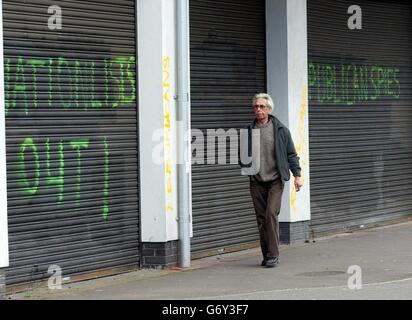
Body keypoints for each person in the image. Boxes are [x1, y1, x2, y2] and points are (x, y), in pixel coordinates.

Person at [240, 93, 303, 268]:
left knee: (270, 215)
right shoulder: (248, 131)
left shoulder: (280, 130)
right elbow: (242, 156)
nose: (258, 110)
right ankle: (266, 254)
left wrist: (297, 175)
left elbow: (291, 154)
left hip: (275, 180)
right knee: (261, 219)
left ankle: (273, 255)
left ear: (269, 109)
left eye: (262, 106)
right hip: (257, 181)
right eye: (256, 107)